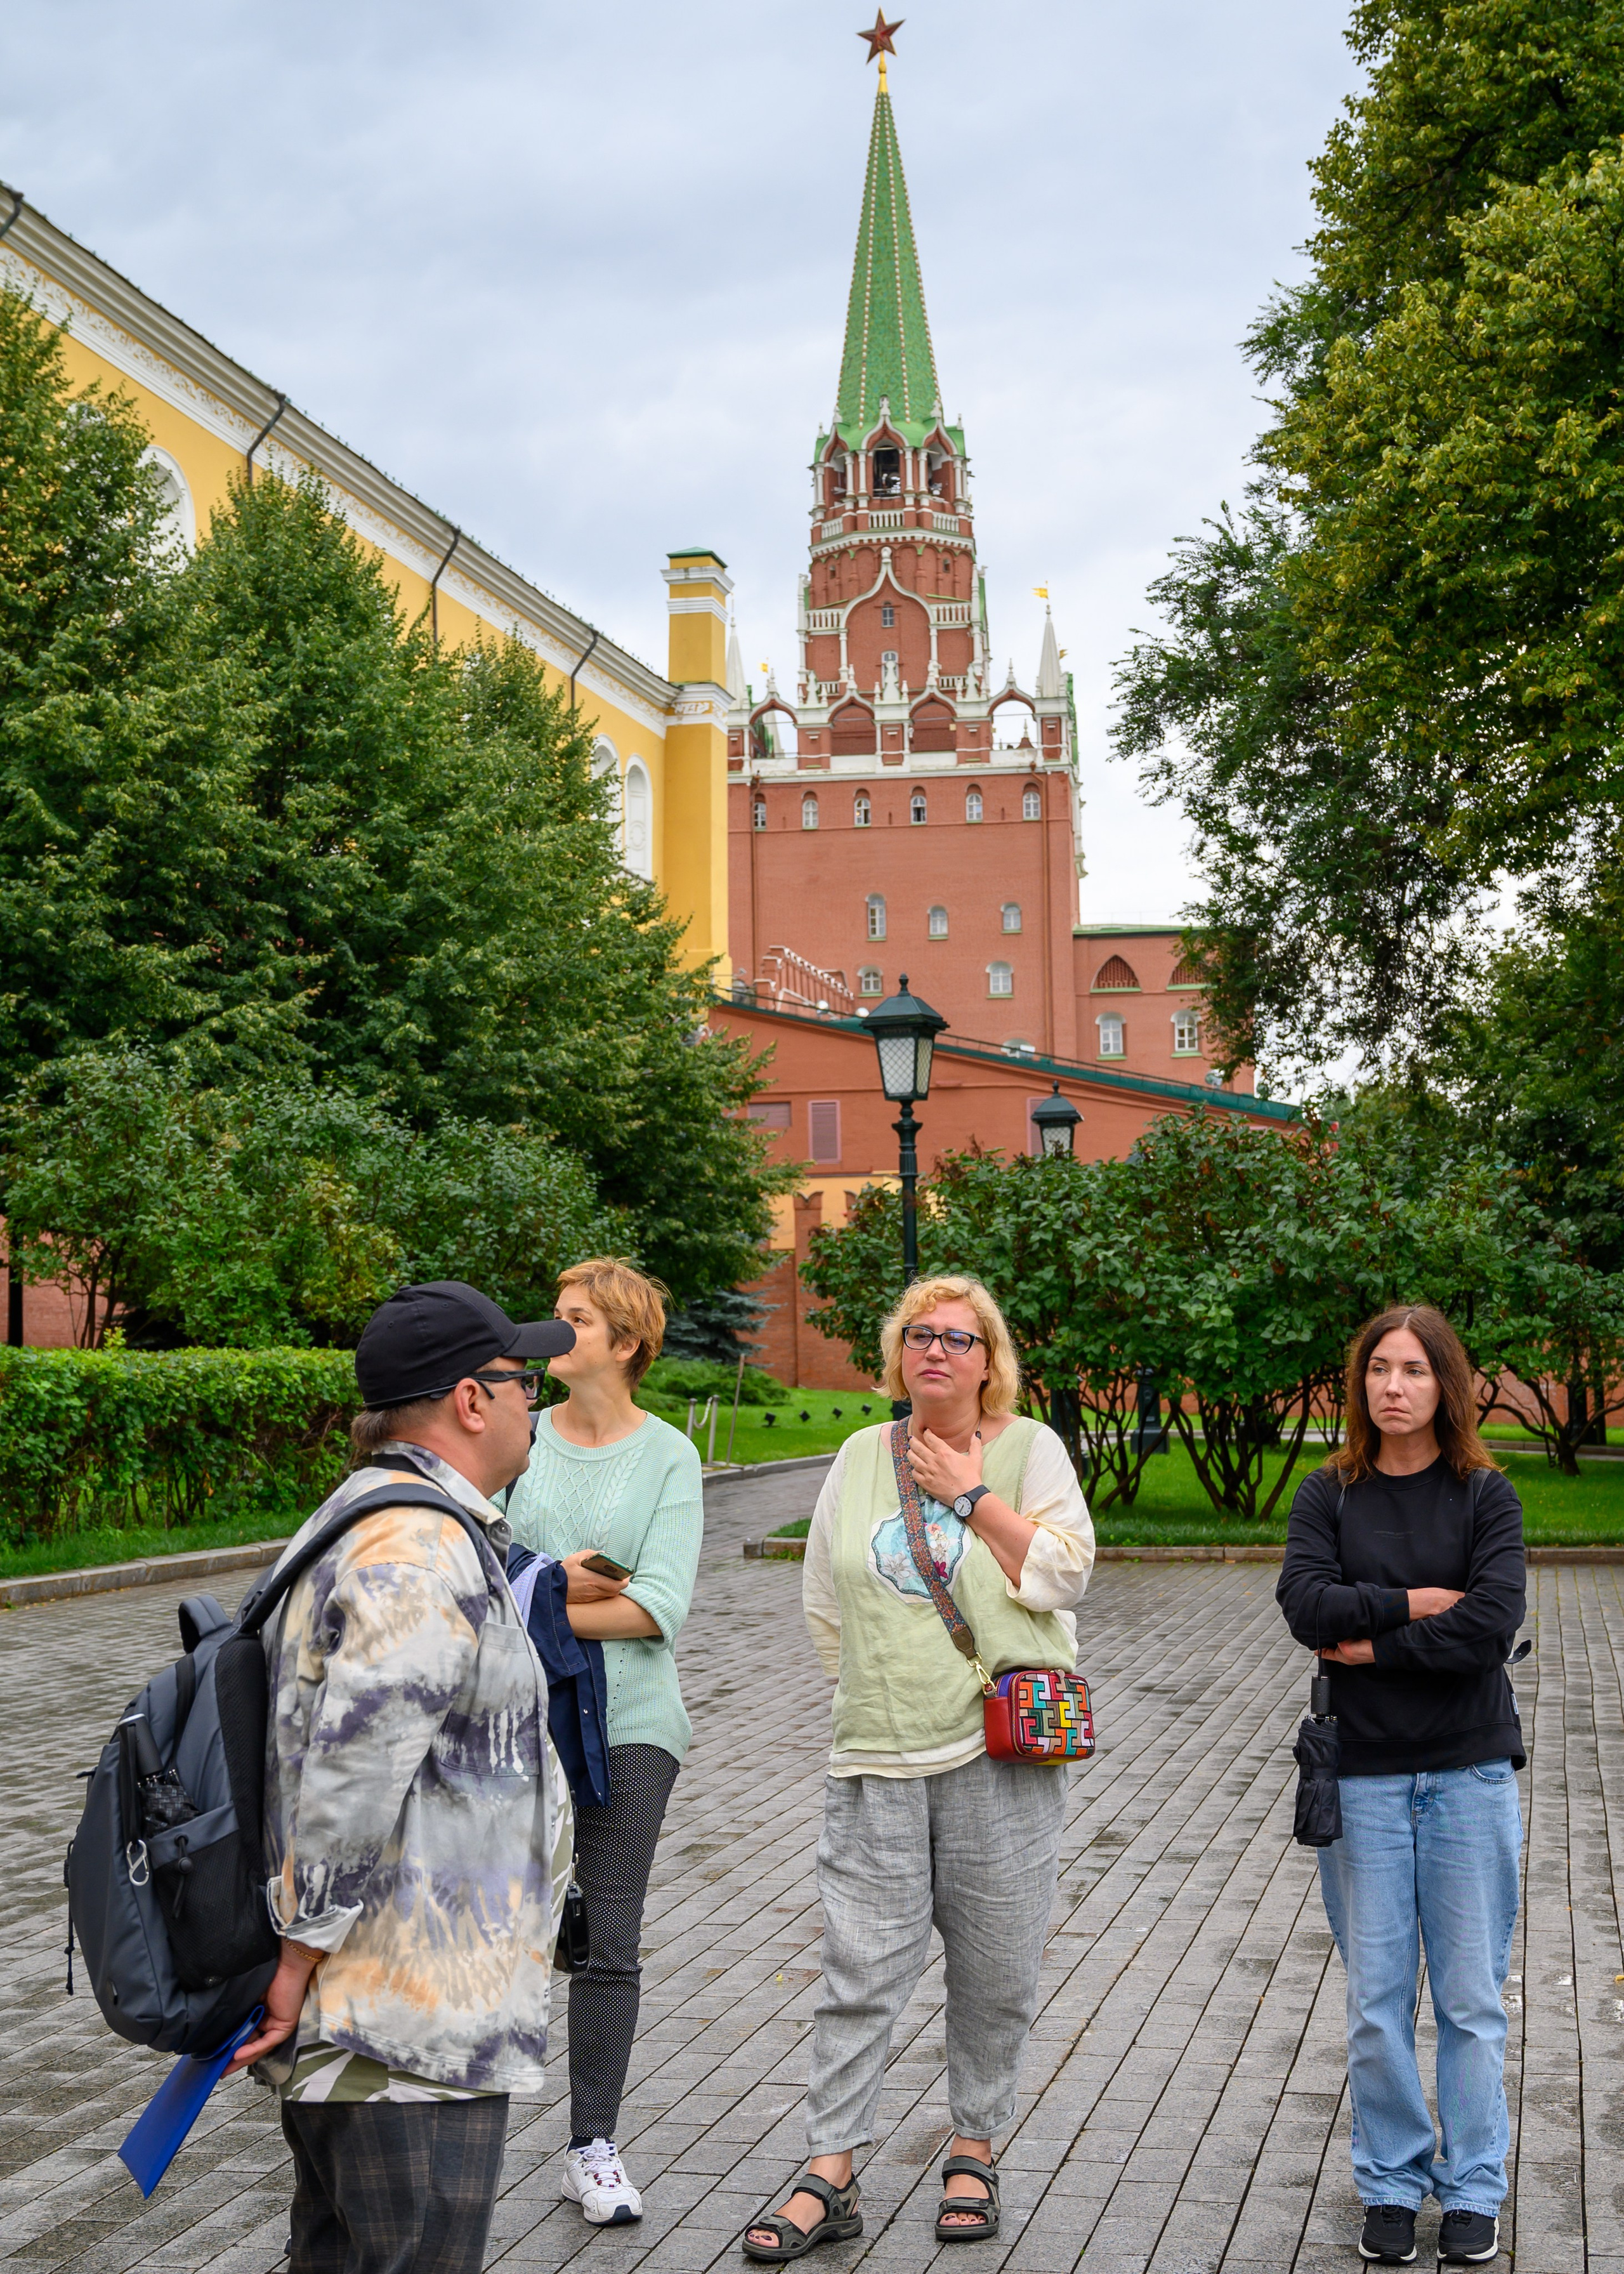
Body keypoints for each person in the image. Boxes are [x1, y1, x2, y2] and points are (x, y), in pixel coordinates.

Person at [226, 1280, 579, 2274]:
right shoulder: (415, 1546)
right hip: (399, 2021)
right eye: (526, 1385)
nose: (533, 1407)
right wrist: (296, 1964)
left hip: (396, 2009)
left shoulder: (381, 1518)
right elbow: (355, 1769)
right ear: (473, 1400)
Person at [745, 1274, 1094, 2260]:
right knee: (858, 1972)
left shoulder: (1032, 1451)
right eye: (918, 1336)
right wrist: (876, 1690)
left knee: (994, 1969)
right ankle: (830, 2171)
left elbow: (1067, 1571)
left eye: (958, 1337)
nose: (935, 1351)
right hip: (877, 1750)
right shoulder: (860, 1456)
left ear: (991, 1360)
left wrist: (973, 1497)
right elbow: (824, 1599)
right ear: (898, 1356)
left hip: (1001, 1753)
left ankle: (974, 2150)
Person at [1276, 1306, 1526, 2270]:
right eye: (1379, 1368)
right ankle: (1389, 2180)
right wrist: (1422, 1603)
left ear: (1445, 1384)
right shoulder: (1328, 1494)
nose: (1394, 1386)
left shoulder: (1484, 1495)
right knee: (1378, 2001)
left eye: (1415, 1370)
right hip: (1367, 1781)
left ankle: (1472, 2188)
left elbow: (1494, 1622)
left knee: (1469, 2000)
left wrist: (1373, 1643)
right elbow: (1305, 1605)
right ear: (1361, 1384)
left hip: (1468, 1773)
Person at [504, 1256, 704, 2228]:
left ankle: (593, 2146)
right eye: (553, 1317)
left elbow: (657, 1609)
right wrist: (563, 1586)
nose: (553, 1334)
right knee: (494, 1927)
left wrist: (534, 1595)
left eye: (574, 1321)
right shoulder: (514, 1438)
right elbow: (473, 1573)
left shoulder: (668, 1455)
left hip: (631, 1727)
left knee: (608, 1944)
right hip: (507, 1723)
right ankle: (453, 2122)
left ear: (625, 1344)